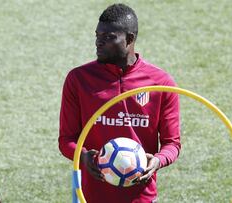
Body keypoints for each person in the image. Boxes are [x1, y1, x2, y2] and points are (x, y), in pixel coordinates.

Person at [58, 3, 181, 203]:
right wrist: (83, 156)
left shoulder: (161, 83)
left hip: (142, 198)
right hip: (91, 197)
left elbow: (172, 143)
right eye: (98, 35)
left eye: (108, 37)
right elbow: (66, 140)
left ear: (130, 39)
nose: (99, 42)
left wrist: (157, 161)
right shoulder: (78, 79)